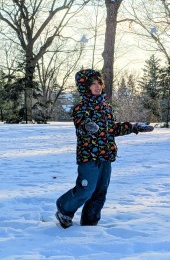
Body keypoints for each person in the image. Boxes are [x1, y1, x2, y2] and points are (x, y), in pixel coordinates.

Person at [56, 69, 153, 228]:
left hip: (106, 155)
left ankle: (89, 224)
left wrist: (133, 127)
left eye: (99, 83)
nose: (97, 86)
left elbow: (111, 129)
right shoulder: (80, 107)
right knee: (86, 190)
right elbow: (81, 126)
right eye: (92, 84)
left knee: (100, 193)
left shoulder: (106, 107)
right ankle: (64, 209)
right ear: (84, 87)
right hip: (89, 157)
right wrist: (87, 126)